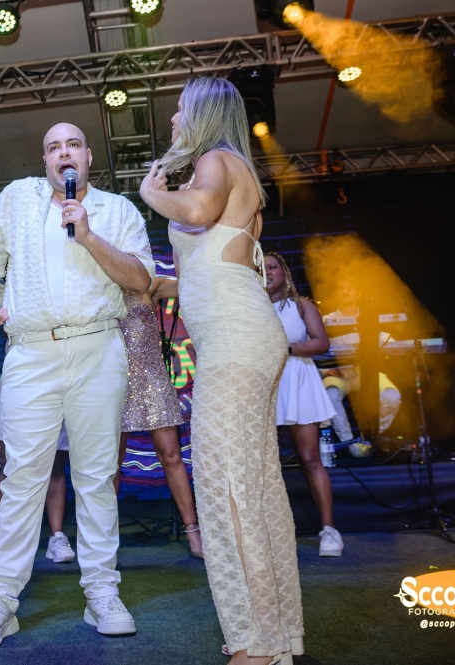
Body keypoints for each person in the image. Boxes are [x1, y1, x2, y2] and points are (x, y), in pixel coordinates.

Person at [0, 122, 154, 648]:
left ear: (88, 156)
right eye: (52, 147)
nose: (63, 153)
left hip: (98, 346)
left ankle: (101, 593)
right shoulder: (16, 199)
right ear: (44, 159)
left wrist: (87, 234)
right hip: (30, 351)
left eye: (72, 145)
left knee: (96, 477)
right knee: (22, 477)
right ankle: (0, 599)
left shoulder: (118, 210)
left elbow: (141, 280)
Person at [140, 77, 304, 665]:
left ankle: (257, 643)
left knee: (225, 487)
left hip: (235, 342)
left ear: (205, 115)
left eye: (181, 110)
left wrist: (151, 192)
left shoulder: (216, 161)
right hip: (241, 335)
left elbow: (197, 211)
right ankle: (276, 636)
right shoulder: (233, 169)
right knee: (253, 485)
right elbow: (222, 265)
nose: (173, 120)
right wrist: (158, 285)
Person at [114, 288, 203, 558]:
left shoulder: (148, 285)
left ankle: (193, 531)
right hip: (114, 378)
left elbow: (190, 279)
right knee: (111, 461)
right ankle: (105, 536)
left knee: (171, 454)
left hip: (152, 378)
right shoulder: (100, 286)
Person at [265, 253, 342, 557]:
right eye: (261, 268)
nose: (267, 272)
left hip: (298, 380)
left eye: (273, 267)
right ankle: (268, 533)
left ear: (284, 272)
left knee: (310, 458)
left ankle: (330, 530)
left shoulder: (301, 305)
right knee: (264, 463)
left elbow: (321, 342)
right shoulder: (249, 306)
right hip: (264, 383)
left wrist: (284, 348)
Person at [0, 415, 76, 565]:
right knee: (8, 463)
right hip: (12, 401)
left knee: (55, 463)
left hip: (53, 401)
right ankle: (1, 536)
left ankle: (56, 538)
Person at [321, 279, 401, 445]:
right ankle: (349, 443)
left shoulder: (369, 317)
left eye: (349, 287)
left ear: (358, 294)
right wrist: (323, 372)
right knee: (330, 395)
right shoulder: (325, 321)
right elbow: (310, 348)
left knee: (391, 396)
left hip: (367, 371)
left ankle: (371, 438)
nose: (345, 291)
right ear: (336, 295)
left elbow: (383, 338)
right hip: (339, 374)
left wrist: (399, 344)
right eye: (341, 288)